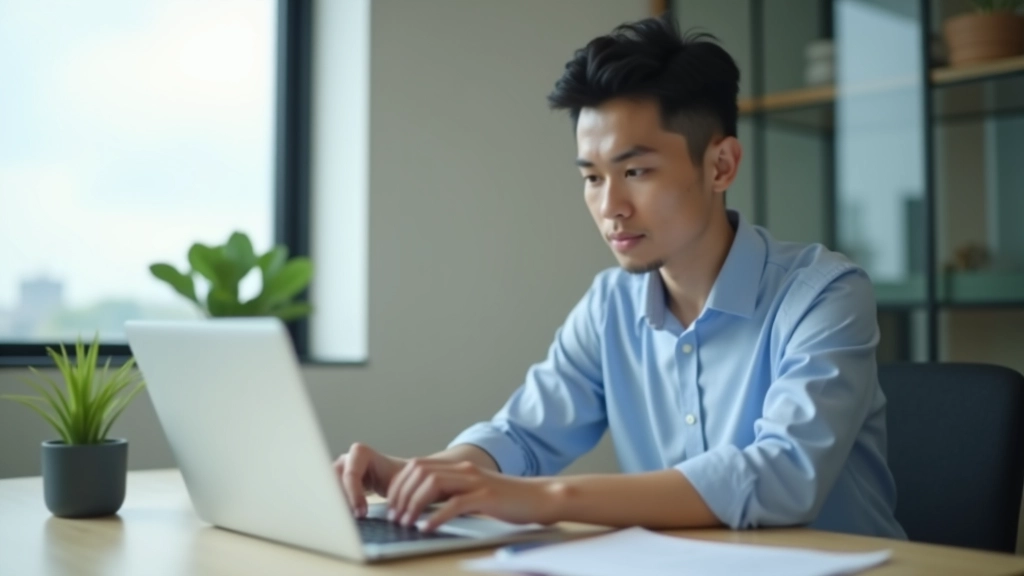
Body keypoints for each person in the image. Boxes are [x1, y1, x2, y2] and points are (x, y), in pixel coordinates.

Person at [334, 15, 906, 539]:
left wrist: (541, 499)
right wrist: (419, 475)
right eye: (592, 177)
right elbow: (523, 436)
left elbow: (783, 476)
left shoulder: (825, 294)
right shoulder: (611, 303)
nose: (611, 207)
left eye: (635, 171)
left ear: (721, 165)